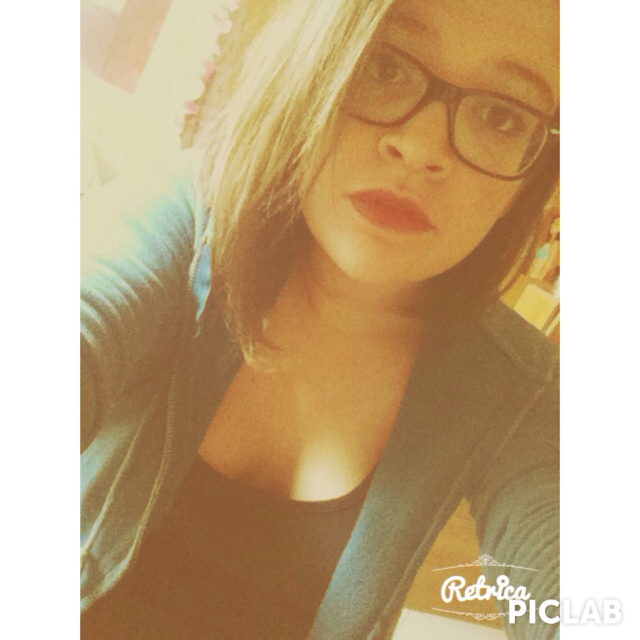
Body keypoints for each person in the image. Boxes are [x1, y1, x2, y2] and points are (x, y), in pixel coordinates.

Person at [80, 0, 560, 638]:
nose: (421, 148)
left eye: (502, 116)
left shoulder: (521, 389)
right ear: (313, 66)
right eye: (384, 67)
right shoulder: (182, 221)